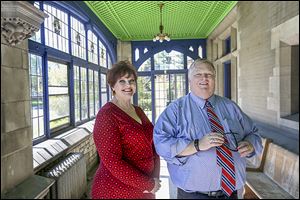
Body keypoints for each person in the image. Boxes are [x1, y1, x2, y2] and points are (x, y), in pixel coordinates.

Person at [153, 58, 263, 199]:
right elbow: (161, 144)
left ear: (214, 79)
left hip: (231, 194)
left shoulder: (231, 107)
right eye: (198, 74)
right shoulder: (175, 110)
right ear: (190, 80)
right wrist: (197, 145)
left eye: (209, 74)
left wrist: (250, 145)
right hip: (194, 196)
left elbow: (254, 133)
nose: (204, 78)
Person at [91, 60, 161, 199]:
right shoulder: (107, 115)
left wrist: (154, 179)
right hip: (116, 190)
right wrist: (148, 184)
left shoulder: (138, 110)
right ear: (112, 86)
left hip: (144, 188)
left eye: (131, 81)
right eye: (122, 81)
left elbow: (152, 145)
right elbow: (112, 161)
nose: (128, 85)